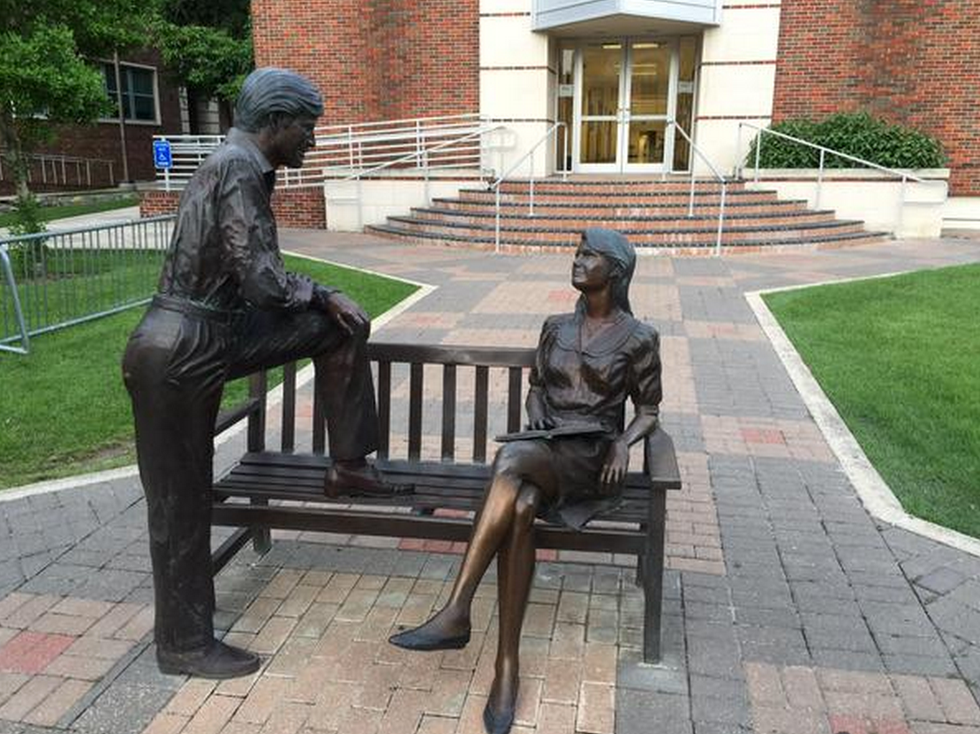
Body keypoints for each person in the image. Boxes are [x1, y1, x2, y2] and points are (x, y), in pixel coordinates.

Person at [122, 68, 407, 680]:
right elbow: (264, 283)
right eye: (307, 127)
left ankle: (348, 465)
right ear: (276, 122)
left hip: (213, 335)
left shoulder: (241, 165)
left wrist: (323, 301)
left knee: (338, 328)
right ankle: (183, 644)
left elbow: (254, 280)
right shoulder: (239, 168)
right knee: (179, 504)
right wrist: (320, 290)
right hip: (179, 349)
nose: (313, 140)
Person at [388, 229, 662, 734]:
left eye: (589, 255)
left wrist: (625, 443)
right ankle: (506, 668)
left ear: (616, 272)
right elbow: (537, 389)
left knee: (510, 459)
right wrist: (535, 412)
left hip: (591, 459)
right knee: (520, 506)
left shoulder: (639, 337)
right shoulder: (555, 327)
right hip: (546, 450)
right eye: (576, 252)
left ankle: (457, 610)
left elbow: (649, 409)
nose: (577, 260)